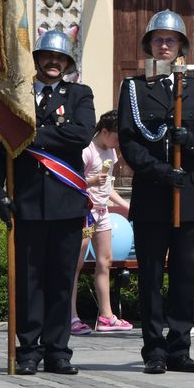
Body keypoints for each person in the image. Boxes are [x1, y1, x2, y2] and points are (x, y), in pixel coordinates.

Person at [0, 29, 95, 375]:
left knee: (61, 280)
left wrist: (31, 135)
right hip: (27, 200)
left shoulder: (79, 94)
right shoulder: (15, 98)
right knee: (28, 281)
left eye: (60, 58)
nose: (53, 62)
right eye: (47, 57)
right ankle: (28, 348)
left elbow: (80, 134)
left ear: (67, 64)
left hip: (65, 202)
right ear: (35, 60)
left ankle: (58, 350)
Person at [117, 9, 194, 374]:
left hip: (187, 195)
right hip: (152, 193)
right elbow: (129, 144)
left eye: (170, 40)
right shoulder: (133, 87)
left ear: (181, 48)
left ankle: (180, 346)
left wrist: (187, 140)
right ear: (149, 45)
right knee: (149, 276)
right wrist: (162, 172)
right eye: (158, 39)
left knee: (181, 274)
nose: (164, 45)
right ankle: (154, 349)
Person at [69, 109, 132, 335]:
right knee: (75, 265)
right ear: (104, 131)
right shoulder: (87, 151)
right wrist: (92, 180)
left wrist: (125, 206)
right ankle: (71, 316)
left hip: (103, 212)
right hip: (86, 213)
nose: (117, 143)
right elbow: (73, 181)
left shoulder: (111, 152)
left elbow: (108, 186)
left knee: (105, 261)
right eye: (115, 137)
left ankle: (106, 316)